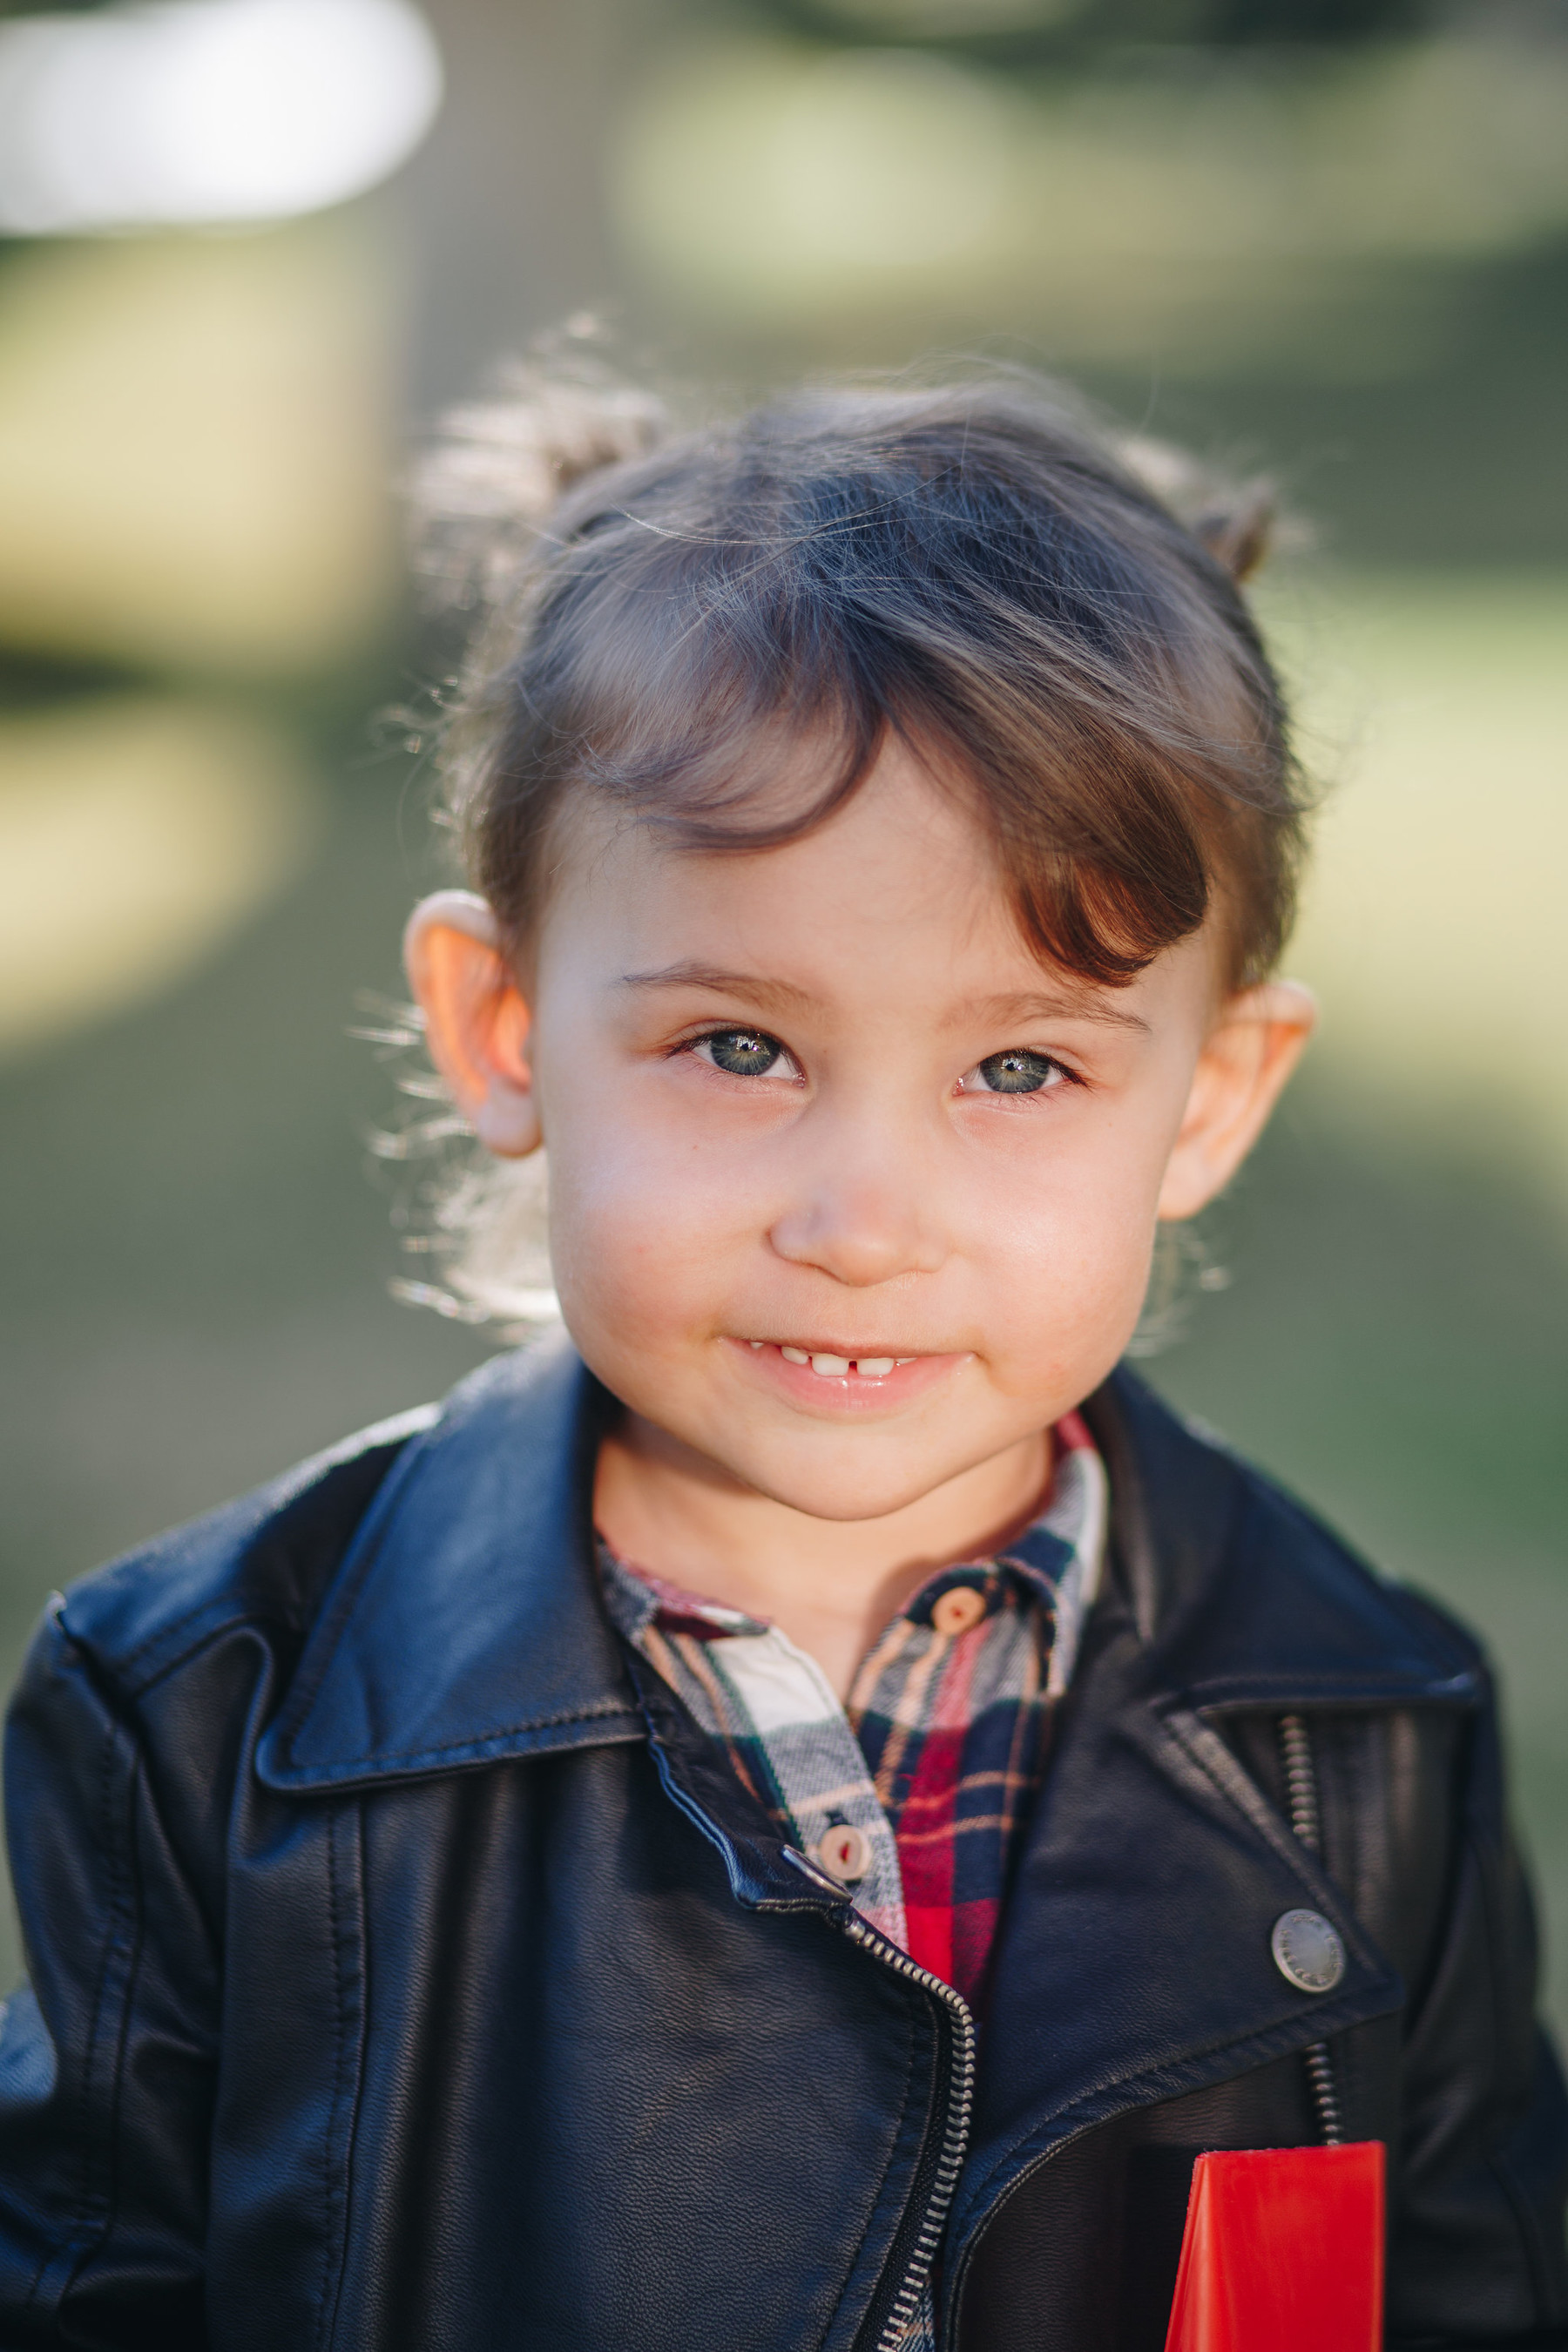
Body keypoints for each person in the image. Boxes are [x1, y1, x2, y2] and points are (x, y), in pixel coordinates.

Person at [0, 364, 1563, 2352]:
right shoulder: (206, 1721)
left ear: (1208, 1097)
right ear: (502, 1030)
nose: (863, 1217)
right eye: (740, 1048)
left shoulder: (1369, 1735)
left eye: (1020, 1065)